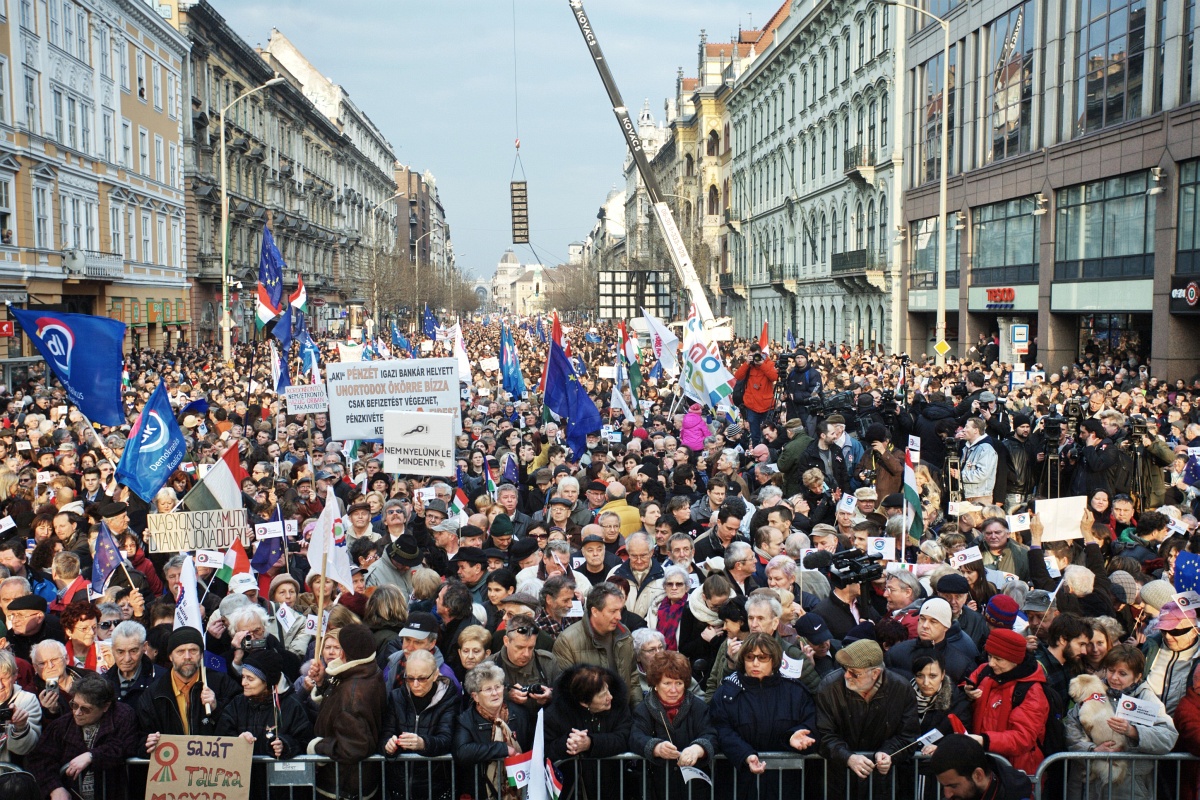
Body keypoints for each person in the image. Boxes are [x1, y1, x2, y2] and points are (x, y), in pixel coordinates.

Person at [710, 632, 819, 800]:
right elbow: (721, 729)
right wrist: (745, 754)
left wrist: (794, 737)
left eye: (762, 658)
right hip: (739, 783)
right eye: (749, 657)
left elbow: (811, 724)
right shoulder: (727, 693)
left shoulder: (795, 691)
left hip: (785, 785)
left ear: (774, 660)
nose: (755, 663)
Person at [1063, 644, 1177, 800]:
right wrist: (1092, 751)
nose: (1114, 677)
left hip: (1130, 786)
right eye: (1111, 671)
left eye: (1122, 673)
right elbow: (1071, 728)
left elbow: (1167, 736)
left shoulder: (1146, 698)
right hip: (1090, 784)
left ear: (1137, 676)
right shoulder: (1094, 691)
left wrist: (1133, 731)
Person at [816, 638, 918, 799]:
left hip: (882, 784)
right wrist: (847, 757)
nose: (847, 676)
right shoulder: (829, 687)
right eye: (845, 669)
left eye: (855, 673)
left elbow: (908, 736)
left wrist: (889, 753)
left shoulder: (901, 689)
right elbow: (823, 734)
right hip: (838, 781)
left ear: (875, 673)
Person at [27, 673, 140, 800]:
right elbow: (40, 758)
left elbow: (126, 746)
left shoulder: (123, 715)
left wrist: (92, 756)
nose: (77, 712)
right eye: (74, 705)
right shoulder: (62, 725)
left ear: (105, 707)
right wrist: (54, 788)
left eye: (86, 709)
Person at [307, 623, 386, 800]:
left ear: (344, 653)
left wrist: (318, 746)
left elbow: (354, 747)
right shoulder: (369, 671)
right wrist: (322, 683)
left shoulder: (352, 694)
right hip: (353, 782)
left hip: (342, 786)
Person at [630, 650, 717, 800]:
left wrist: (698, 749)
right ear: (655, 684)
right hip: (657, 786)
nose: (674, 690)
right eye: (667, 683)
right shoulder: (644, 709)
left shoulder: (698, 706)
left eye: (679, 683)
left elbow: (711, 734)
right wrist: (656, 748)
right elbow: (635, 737)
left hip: (694, 789)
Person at [962, 627, 1049, 775]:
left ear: (1015, 660)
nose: (991, 663)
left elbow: (1023, 737)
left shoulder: (1032, 691)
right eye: (990, 656)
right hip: (984, 765)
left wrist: (985, 741)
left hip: (1016, 771)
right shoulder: (984, 671)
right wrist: (967, 692)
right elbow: (968, 683)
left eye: (998, 659)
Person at [136, 627, 239, 746]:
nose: (187, 656)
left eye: (193, 650)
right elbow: (140, 738)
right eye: (180, 651)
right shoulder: (154, 694)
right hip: (173, 762)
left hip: (210, 762)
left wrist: (217, 707)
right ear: (170, 657)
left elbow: (238, 726)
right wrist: (147, 744)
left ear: (201, 655)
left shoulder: (222, 683)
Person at [544, 664, 633, 800]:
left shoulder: (618, 707)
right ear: (584, 703)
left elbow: (624, 737)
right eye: (602, 695)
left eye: (608, 691)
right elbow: (545, 749)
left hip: (613, 788)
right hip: (571, 791)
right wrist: (567, 743)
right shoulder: (555, 714)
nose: (610, 697)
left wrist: (591, 743)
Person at [379, 649, 459, 800]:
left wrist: (422, 743)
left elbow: (447, 739)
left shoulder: (448, 699)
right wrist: (388, 746)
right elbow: (385, 734)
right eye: (410, 678)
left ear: (435, 675)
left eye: (422, 679)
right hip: (398, 787)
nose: (415, 684)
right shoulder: (396, 697)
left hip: (436, 787)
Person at [553, 582, 643, 706]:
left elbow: (632, 677)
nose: (619, 617)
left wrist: (637, 710)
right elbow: (564, 690)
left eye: (620, 610)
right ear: (595, 611)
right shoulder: (567, 641)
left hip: (622, 716)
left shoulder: (624, 634)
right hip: (587, 717)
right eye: (613, 611)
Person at [454, 661, 534, 799]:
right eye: (488, 689)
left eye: (498, 687)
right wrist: (503, 749)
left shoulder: (519, 714)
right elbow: (463, 751)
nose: (495, 693)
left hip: (520, 788)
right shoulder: (466, 720)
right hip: (482, 792)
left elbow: (532, 746)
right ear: (475, 696)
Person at [927, 733, 1034, 800]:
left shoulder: (1013, 794)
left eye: (953, 786)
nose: (947, 795)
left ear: (978, 775)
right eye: (943, 786)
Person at [911, 655, 973, 741]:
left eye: (932, 676)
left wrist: (940, 747)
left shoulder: (958, 704)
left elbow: (963, 739)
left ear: (942, 675)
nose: (926, 682)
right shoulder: (903, 696)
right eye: (920, 676)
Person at [0, 649, 41, 764]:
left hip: (11, 775)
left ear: (15, 675)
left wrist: (21, 727)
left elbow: (26, 749)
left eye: (4, 678)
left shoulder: (26, 700)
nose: (0, 686)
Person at [732, 343, 778, 445]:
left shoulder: (768, 363)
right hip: (752, 405)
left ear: (761, 354)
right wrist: (747, 363)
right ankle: (757, 452)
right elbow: (738, 376)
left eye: (757, 355)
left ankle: (767, 451)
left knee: (767, 433)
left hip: (766, 405)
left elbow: (774, 377)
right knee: (755, 434)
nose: (755, 358)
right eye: (753, 356)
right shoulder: (749, 366)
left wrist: (762, 364)